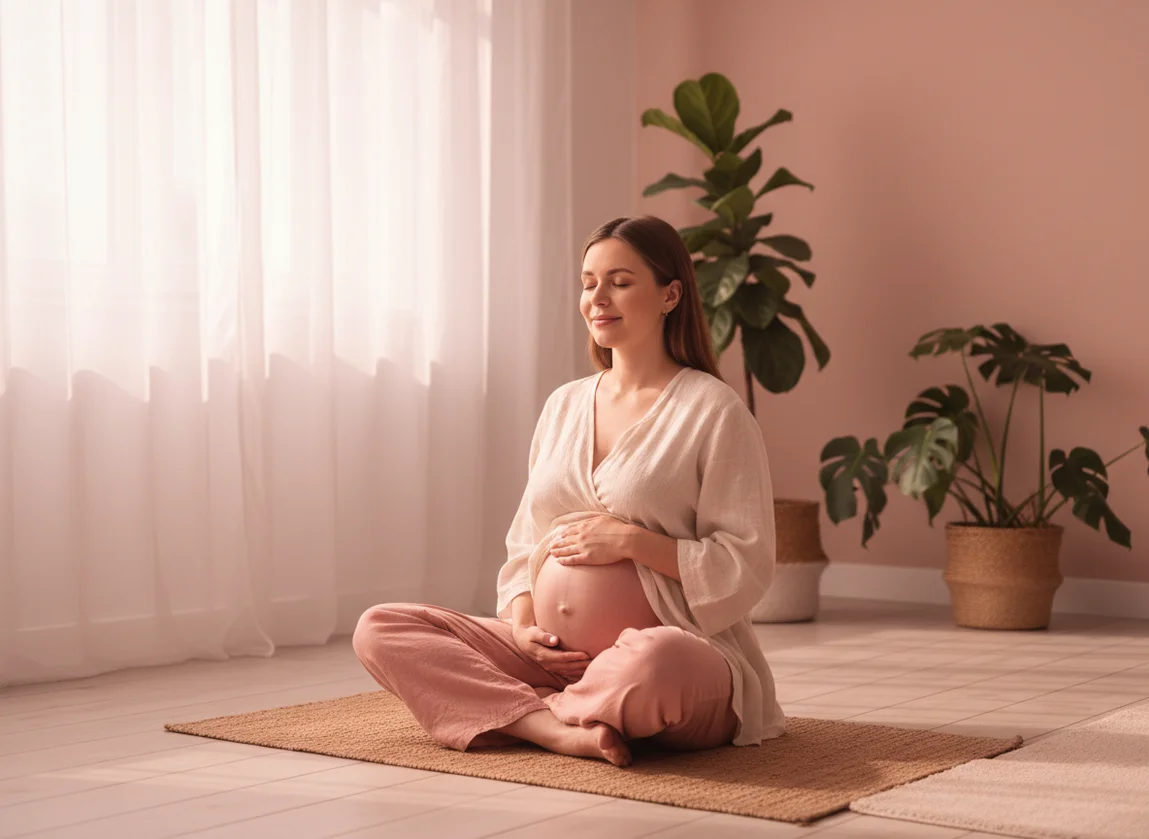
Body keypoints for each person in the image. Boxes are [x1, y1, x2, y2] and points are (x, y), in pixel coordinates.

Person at [353, 215, 785, 767]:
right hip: (552, 658)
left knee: (657, 664)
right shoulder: (564, 404)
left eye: (620, 282)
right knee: (382, 628)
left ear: (670, 293)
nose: (597, 298)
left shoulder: (713, 410)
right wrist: (524, 624)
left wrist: (633, 542)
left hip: (669, 651)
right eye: (588, 283)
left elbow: (746, 562)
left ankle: (522, 712)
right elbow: (525, 543)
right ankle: (556, 726)